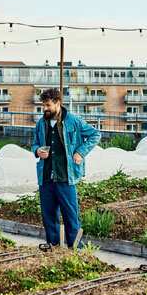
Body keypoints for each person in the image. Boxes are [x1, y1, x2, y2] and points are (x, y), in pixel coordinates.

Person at [33, 88, 101, 248]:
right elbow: (35, 142)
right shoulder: (40, 123)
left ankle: (76, 251)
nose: (45, 109)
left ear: (57, 104)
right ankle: (53, 250)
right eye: (43, 105)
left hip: (66, 178)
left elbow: (95, 134)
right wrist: (37, 150)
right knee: (49, 219)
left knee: (71, 218)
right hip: (46, 178)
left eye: (48, 105)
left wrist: (80, 152)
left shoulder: (73, 121)